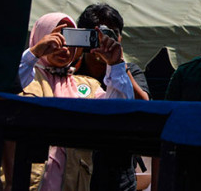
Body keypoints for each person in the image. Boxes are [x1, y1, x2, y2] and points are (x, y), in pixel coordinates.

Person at [13, 13, 133, 191]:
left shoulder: (87, 86)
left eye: (70, 39)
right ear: (40, 37)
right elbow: (5, 87)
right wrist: (35, 53)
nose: (64, 47)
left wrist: (115, 65)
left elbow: (120, 113)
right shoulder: (28, 76)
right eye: (57, 38)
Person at [75, 3, 149, 191]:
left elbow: (144, 107)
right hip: (76, 172)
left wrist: (118, 65)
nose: (104, 39)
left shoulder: (130, 71)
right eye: (97, 34)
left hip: (118, 174)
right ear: (85, 37)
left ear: (120, 37)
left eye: (111, 33)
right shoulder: (71, 72)